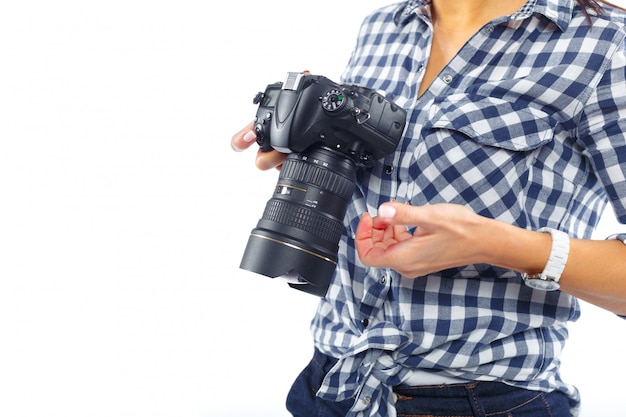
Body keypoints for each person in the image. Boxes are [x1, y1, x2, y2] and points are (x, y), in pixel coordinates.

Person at [231, 0, 626, 416]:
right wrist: (303, 132)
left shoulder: (607, 44)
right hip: (332, 384)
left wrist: (501, 246)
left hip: (487, 400)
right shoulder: (384, 25)